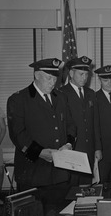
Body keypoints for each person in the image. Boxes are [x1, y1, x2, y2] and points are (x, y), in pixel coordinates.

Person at [7, 58, 77, 208]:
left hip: (59, 174)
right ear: (37, 75)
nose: (53, 83)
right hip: (33, 174)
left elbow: (71, 126)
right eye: (49, 78)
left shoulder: (61, 98)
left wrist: (69, 145)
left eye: (55, 78)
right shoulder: (19, 99)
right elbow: (17, 135)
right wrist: (38, 152)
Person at [60, 56, 102, 186]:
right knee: (71, 188)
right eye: (81, 74)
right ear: (71, 73)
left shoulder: (91, 93)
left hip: (88, 150)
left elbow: (95, 123)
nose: (84, 78)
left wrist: (98, 148)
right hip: (73, 149)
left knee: (86, 188)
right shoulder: (61, 93)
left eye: (86, 74)